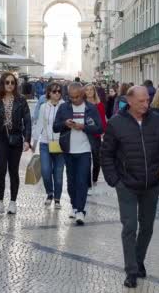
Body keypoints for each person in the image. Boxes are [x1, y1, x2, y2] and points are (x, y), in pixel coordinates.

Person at [101, 85, 159, 288]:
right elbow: (106, 154)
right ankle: (131, 270)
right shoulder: (115, 123)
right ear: (129, 101)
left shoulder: (157, 121)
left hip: (152, 184)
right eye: (141, 101)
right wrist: (115, 180)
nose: (146, 104)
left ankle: (139, 261)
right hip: (127, 184)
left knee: (147, 226)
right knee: (130, 226)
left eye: (147, 100)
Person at [53, 82, 102, 225]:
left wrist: (84, 127)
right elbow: (55, 127)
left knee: (82, 180)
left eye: (77, 97)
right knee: (71, 181)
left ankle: (80, 210)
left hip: (85, 150)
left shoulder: (91, 108)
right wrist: (65, 124)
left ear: (83, 95)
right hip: (68, 149)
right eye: (71, 97)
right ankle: (74, 206)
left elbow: (99, 128)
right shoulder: (64, 107)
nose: (74, 100)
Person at [0, 72, 32, 215]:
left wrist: (27, 140)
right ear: (2, 84)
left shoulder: (21, 100)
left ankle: (13, 202)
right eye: (7, 82)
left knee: (13, 171)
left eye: (12, 82)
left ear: (15, 85)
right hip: (0, 138)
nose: (10, 85)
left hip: (16, 138)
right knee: (0, 170)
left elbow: (27, 121)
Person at [34, 82, 65, 208]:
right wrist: (34, 142)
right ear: (49, 93)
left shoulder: (65, 106)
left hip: (60, 144)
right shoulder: (43, 107)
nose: (57, 93)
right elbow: (39, 124)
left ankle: (57, 198)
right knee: (46, 171)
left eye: (59, 91)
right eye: (54, 91)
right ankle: (49, 193)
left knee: (58, 174)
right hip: (45, 143)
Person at [84, 83, 107, 190]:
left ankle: (94, 179)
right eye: (87, 90)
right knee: (86, 159)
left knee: (97, 159)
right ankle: (87, 183)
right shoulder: (82, 104)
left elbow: (103, 120)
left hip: (96, 134)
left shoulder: (99, 105)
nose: (89, 92)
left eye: (91, 90)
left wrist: (104, 132)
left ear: (94, 91)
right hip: (84, 134)